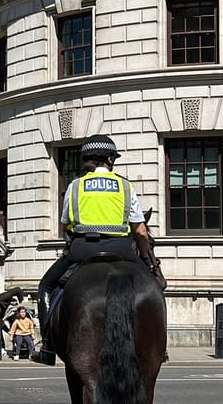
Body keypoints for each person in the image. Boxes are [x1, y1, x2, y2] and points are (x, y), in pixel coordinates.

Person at [33, 135, 154, 366]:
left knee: (46, 286)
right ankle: (160, 344)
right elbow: (140, 232)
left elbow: (65, 223)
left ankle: (47, 347)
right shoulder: (125, 186)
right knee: (152, 285)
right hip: (122, 249)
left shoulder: (75, 186)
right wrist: (146, 259)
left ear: (87, 160)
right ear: (110, 159)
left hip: (82, 250)